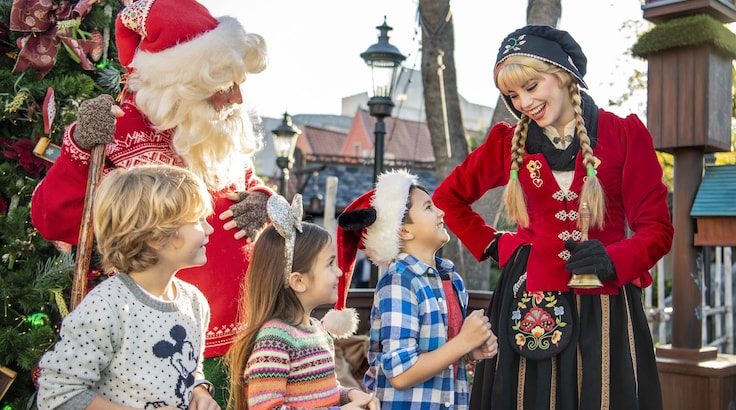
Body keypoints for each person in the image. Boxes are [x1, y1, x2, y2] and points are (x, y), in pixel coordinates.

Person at [30, 0, 271, 406]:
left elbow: (250, 188)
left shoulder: (216, 133)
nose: (237, 100)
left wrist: (264, 201)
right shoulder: (118, 131)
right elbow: (55, 219)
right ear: (184, 82)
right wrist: (80, 148)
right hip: (150, 344)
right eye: (224, 85)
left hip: (241, 341)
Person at [431, 25, 674, 410]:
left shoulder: (625, 135)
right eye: (513, 94)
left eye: (531, 86)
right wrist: (495, 244)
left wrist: (615, 258)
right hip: (529, 299)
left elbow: (657, 230)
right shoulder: (507, 143)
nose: (524, 102)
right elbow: (448, 198)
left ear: (562, 74)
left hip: (606, 300)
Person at [37, 164, 219, 410]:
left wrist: (199, 391)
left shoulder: (195, 303)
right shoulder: (106, 307)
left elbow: (188, 368)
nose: (209, 229)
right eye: (198, 220)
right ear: (156, 237)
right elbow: (58, 393)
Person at [335, 169, 498, 410]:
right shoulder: (399, 282)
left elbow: (439, 351)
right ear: (404, 231)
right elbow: (400, 374)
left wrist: (470, 350)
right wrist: (463, 342)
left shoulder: (452, 279)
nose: (441, 212)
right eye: (429, 208)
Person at [225, 193, 379, 410]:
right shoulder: (275, 339)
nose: (338, 272)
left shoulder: (318, 330)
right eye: (330, 264)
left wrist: (349, 395)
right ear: (298, 281)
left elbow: (324, 393)